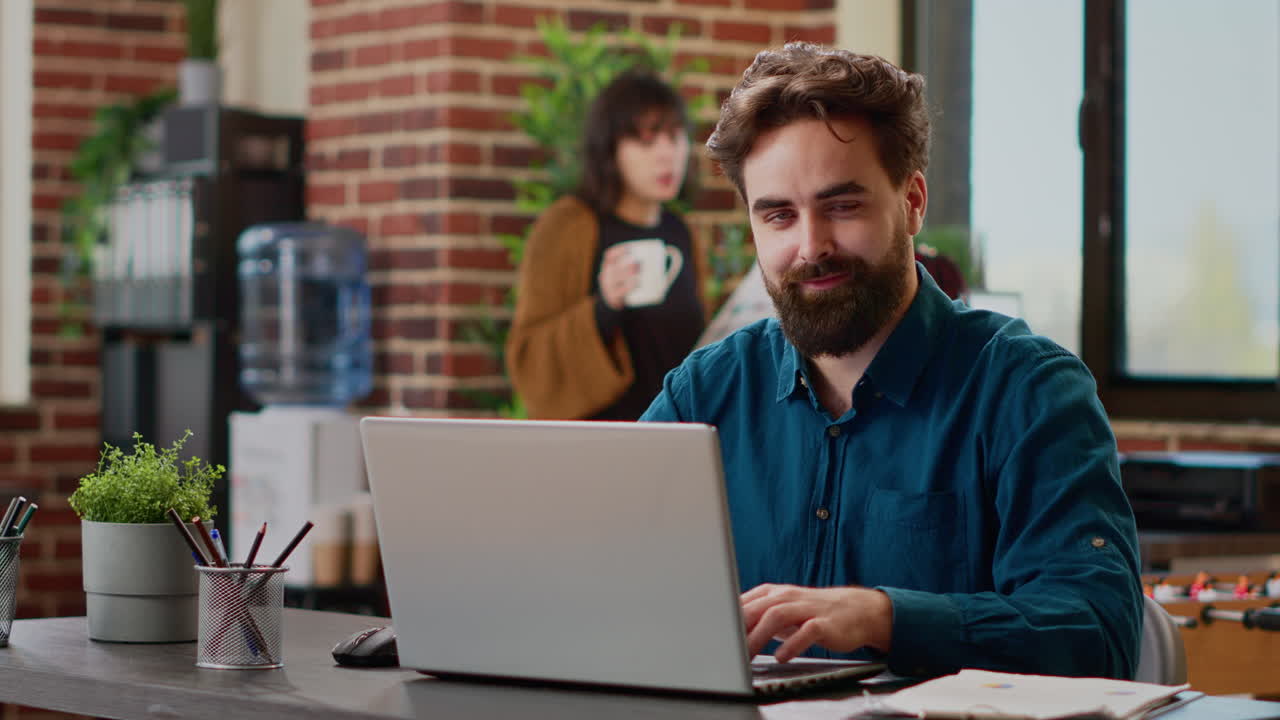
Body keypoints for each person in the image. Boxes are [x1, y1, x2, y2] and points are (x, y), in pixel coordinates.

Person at [640, 43, 1142, 679]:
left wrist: (885, 617)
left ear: (912, 202)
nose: (810, 246)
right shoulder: (702, 396)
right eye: (778, 216)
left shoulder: (1029, 391)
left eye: (842, 206)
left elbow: (1097, 632)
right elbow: (605, 590)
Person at [506, 71, 706, 420]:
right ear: (610, 150)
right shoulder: (568, 226)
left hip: (678, 437)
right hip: (596, 444)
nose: (667, 154)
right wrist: (605, 306)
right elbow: (529, 358)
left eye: (675, 137)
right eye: (646, 141)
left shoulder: (681, 232)